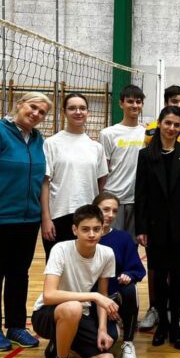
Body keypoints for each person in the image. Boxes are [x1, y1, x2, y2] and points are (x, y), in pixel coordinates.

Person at [0, 91, 52, 352]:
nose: (36, 114)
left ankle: (16, 326)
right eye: (33, 107)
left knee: (19, 275)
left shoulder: (38, 139)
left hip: (27, 220)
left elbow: (40, 179)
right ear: (19, 104)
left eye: (42, 112)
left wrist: (41, 216)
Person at [135, 105, 180, 350]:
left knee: (176, 276)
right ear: (160, 124)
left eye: (176, 124)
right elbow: (141, 194)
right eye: (168, 123)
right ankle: (162, 324)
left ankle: (175, 326)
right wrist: (141, 227)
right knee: (159, 276)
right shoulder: (146, 155)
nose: (172, 128)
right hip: (155, 226)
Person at [31, 204, 120, 358]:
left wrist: (102, 329)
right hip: (47, 313)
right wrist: (93, 296)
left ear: (102, 229)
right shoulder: (60, 249)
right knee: (73, 307)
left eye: (96, 229)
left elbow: (103, 294)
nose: (92, 234)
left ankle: (63, 344)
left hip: (80, 315)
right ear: (74, 230)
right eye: (85, 229)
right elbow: (49, 295)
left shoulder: (107, 254)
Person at [41, 92, 108, 261]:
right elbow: (45, 183)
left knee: (87, 267)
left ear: (88, 112)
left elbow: (101, 183)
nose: (78, 112)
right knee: (58, 266)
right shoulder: (51, 143)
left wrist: (99, 214)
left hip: (88, 217)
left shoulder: (96, 147)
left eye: (82, 108)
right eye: (72, 108)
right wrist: (46, 218)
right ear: (64, 112)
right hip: (59, 216)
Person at [93, 192, 146, 358]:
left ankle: (128, 342)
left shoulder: (123, 238)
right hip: (89, 299)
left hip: (114, 299)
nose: (110, 215)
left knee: (130, 289)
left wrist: (128, 275)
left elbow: (138, 269)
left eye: (114, 211)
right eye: (106, 209)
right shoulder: (85, 237)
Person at [98, 85, 146, 240]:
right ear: (121, 104)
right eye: (130, 101)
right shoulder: (108, 133)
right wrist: (101, 197)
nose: (134, 105)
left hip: (137, 199)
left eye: (138, 102)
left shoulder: (148, 133)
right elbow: (103, 170)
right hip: (113, 198)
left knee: (132, 245)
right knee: (110, 243)